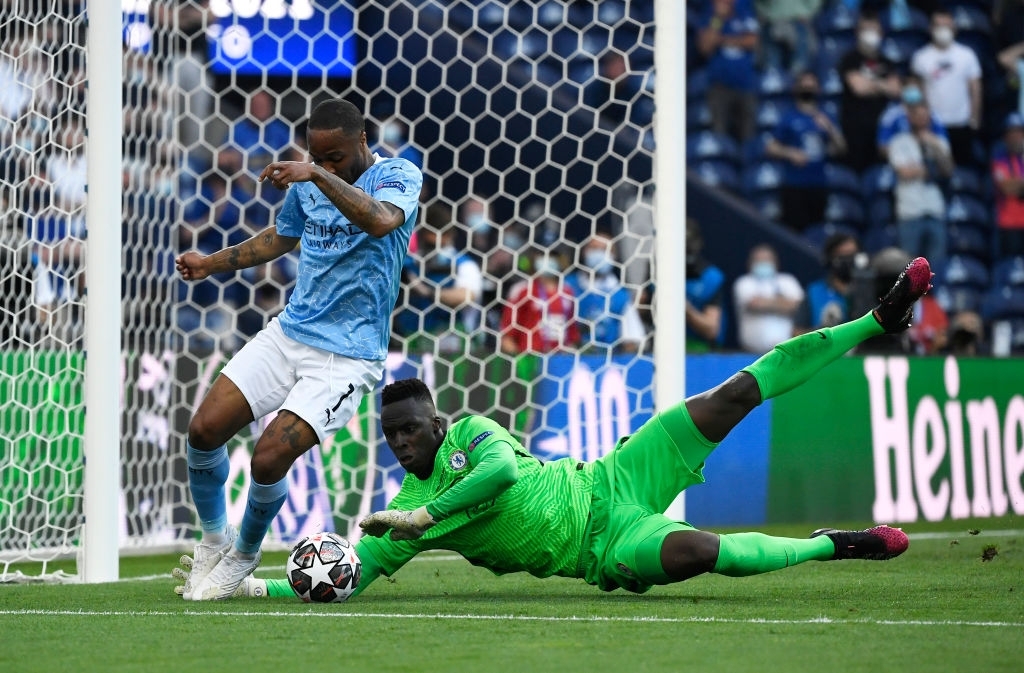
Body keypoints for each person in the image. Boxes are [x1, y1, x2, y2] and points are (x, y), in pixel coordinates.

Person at [174, 257, 932, 602]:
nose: (404, 443)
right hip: (601, 548)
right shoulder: (402, 513)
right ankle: (838, 543)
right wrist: (263, 587)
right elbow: (348, 577)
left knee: (733, 392)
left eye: (412, 429)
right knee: (702, 552)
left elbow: (501, 476)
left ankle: (877, 317)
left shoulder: (472, 435)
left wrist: (425, 512)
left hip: (613, 476)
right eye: (394, 437)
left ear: (437, 419)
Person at [174, 97, 423, 601]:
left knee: (267, 459)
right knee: (203, 430)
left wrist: (316, 174)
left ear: (363, 142)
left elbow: (379, 221)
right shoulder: (310, 185)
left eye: (335, 157)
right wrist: (211, 263)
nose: (326, 164)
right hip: (289, 334)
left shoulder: (398, 175)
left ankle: (243, 558)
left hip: (348, 358)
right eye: (318, 155)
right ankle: (214, 541)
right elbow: (279, 239)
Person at [765, 71, 846, 233]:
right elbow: (770, 147)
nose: (808, 88)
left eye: (811, 85)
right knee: (794, 232)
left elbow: (841, 149)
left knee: (818, 232)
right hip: (794, 185)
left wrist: (830, 129)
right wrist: (790, 153)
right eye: (804, 85)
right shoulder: (789, 118)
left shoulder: (825, 117)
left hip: (818, 185)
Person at [394, 222, 483, 354]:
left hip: (450, 340)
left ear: (448, 237)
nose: (431, 248)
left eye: (434, 244)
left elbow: (464, 297)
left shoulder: (464, 264)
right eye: (427, 242)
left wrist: (425, 291)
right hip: (407, 339)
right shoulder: (408, 263)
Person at [910, 9, 983, 168]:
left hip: (961, 123)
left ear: (954, 28)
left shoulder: (967, 55)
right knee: (935, 168)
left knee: (963, 169)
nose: (942, 30)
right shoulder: (921, 57)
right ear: (930, 29)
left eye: (946, 25)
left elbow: (975, 88)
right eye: (938, 25)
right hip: (934, 124)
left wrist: (975, 118)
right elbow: (918, 91)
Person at [888, 96, 953, 265]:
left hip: (934, 209)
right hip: (910, 211)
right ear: (910, 118)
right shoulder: (899, 143)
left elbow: (948, 170)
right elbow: (904, 173)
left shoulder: (939, 142)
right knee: (910, 269)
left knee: (936, 267)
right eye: (918, 115)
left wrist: (935, 147)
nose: (922, 119)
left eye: (925, 115)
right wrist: (932, 170)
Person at [838, 12, 902, 174]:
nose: (870, 35)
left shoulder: (887, 62)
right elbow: (858, 88)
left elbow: (895, 90)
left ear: (881, 33)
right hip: (855, 129)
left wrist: (870, 84)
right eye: (866, 30)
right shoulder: (850, 59)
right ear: (858, 33)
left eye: (874, 30)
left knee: (881, 173)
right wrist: (882, 85)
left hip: (882, 129)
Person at [564, 231, 646, 354]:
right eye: (594, 248)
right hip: (568, 361)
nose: (599, 254)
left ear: (614, 256)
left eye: (605, 250)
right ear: (583, 251)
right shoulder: (567, 286)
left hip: (607, 363)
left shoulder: (620, 295)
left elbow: (632, 340)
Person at [697, 0, 760, 144]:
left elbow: (753, 41)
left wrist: (722, 40)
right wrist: (718, 20)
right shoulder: (711, 17)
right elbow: (705, 47)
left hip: (746, 84)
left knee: (748, 135)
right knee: (719, 135)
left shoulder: (744, 11)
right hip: (719, 86)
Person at [499, 248, 579, 355]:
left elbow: (572, 331)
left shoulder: (567, 291)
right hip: (531, 357)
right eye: (542, 256)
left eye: (551, 257)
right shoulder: (522, 290)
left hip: (560, 358)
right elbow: (507, 334)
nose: (547, 260)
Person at [733, 244, 805, 354]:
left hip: (786, 352)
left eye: (766, 259)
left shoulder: (787, 280)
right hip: (751, 354)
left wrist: (766, 302)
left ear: (775, 262)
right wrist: (783, 303)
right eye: (758, 260)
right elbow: (755, 304)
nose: (763, 263)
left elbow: (798, 305)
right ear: (750, 263)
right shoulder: (744, 282)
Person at [795, 232, 861, 333]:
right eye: (843, 256)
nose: (849, 261)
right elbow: (796, 331)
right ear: (830, 259)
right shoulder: (814, 291)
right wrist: (822, 333)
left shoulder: (867, 288)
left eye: (852, 255)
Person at [684, 218, 725, 353]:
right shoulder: (656, 271)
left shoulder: (711, 277)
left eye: (690, 242)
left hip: (701, 351)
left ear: (699, 242)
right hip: (657, 347)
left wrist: (686, 309)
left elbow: (711, 329)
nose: (687, 247)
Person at [992, 112, 1024, 258]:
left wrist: (1017, 183)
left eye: (1018, 132)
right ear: (1005, 137)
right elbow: (1006, 187)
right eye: (1011, 133)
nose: (1015, 137)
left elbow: (1013, 185)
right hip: (1009, 224)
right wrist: (1015, 185)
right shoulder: (1000, 159)